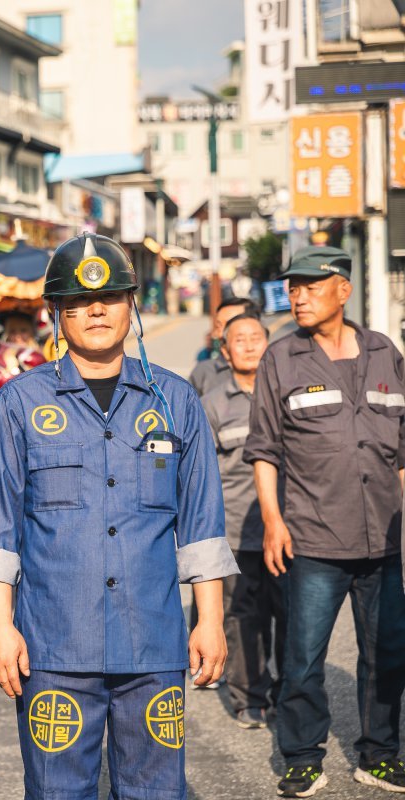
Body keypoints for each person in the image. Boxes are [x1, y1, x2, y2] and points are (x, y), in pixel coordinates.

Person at [0, 233, 236, 799]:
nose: (95, 309)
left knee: (157, 791)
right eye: (78, 301)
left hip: (153, 642)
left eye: (111, 297)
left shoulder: (175, 400)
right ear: (56, 315)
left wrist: (209, 620)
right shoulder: (19, 403)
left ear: (130, 306)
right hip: (55, 646)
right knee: (57, 791)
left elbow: (202, 523)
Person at [244, 246, 405, 797]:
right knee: (304, 657)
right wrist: (272, 520)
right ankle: (301, 757)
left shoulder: (385, 352)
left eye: (310, 285)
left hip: (384, 540)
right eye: (292, 286)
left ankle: (379, 754)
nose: (298, 295)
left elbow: (401, 453)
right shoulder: (281, 358)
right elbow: (264, 449)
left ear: (343, 287)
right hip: (313, 537)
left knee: (386, 653)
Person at [200, 311, 285, 731]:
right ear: (224, 350)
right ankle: (249, 696)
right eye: (240, 339)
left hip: (288, 531)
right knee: (242, 618)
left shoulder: (287, 395)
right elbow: (199, 475)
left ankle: (287, 694)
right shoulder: (213, 405)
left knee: (290, 617)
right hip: (234, 531)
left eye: (256, 337)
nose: (250, 345)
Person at [189, 297, 262, 396]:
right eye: (218, 326)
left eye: (229, 325)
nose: (219, 334)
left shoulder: (277, 368)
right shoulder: (204, 373)